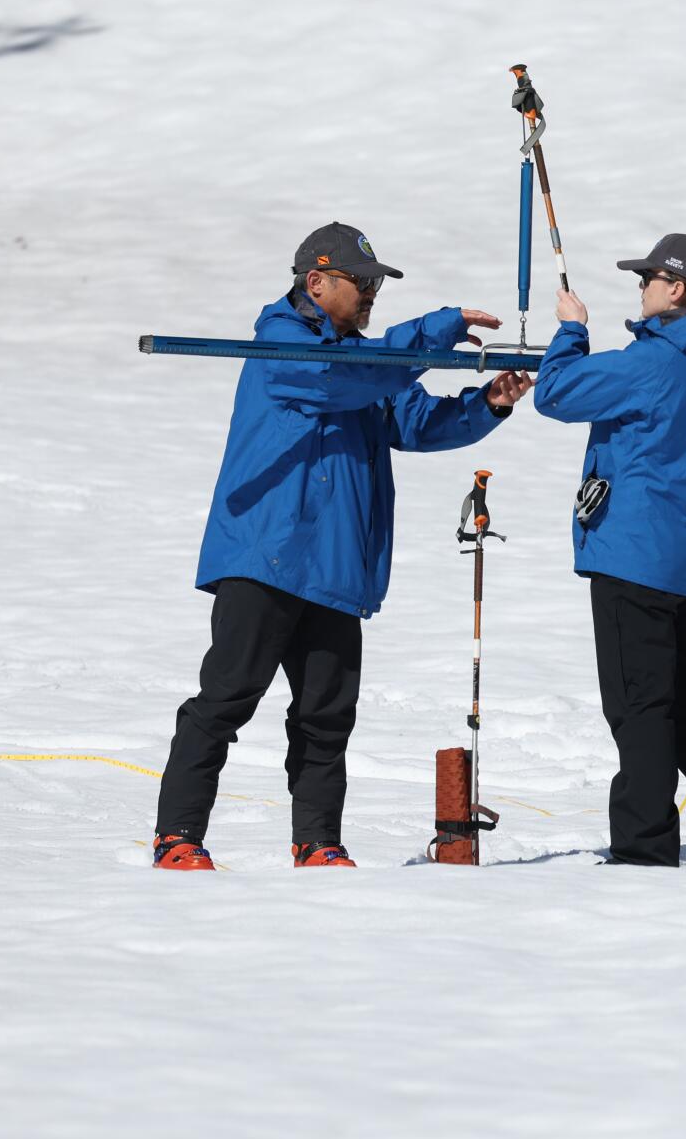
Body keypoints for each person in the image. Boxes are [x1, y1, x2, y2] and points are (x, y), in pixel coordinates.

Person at [151, 222, 530, 871]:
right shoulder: (284, 344)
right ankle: (177, 836)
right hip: (265, 556)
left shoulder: (363, 365)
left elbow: (411, 421)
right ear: (316, 280)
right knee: (227, 698)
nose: (372, 293)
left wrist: (487, 403)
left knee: (328, 716)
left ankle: (318, 841)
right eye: (364, 282)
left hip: (332, 568)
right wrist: (431, 334)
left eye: (377, 283)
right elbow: (337, 382)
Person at [534, 233, 686, 872]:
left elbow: (555, 392)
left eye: (646, 279)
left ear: (673, 290)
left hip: (632, 558)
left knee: (641, 707)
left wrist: (571, 330)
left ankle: (642, 848)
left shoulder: (656, 363)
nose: (638, 288)